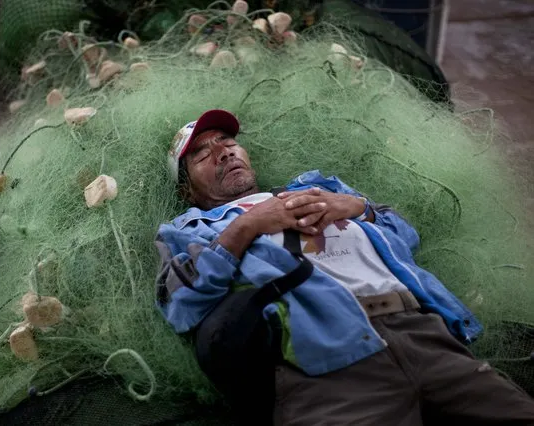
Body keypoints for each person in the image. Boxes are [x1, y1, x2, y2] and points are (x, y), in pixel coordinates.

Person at [154, 109, 534, 425]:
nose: (224, 152)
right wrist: (248, 226)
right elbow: (181, 303)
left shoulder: (317, 186)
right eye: (203, 154)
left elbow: (406, 236)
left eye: (229, 142)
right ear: (187, 191)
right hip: (327, 361)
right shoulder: (191, 230)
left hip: (425, 335)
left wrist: (358, 208)